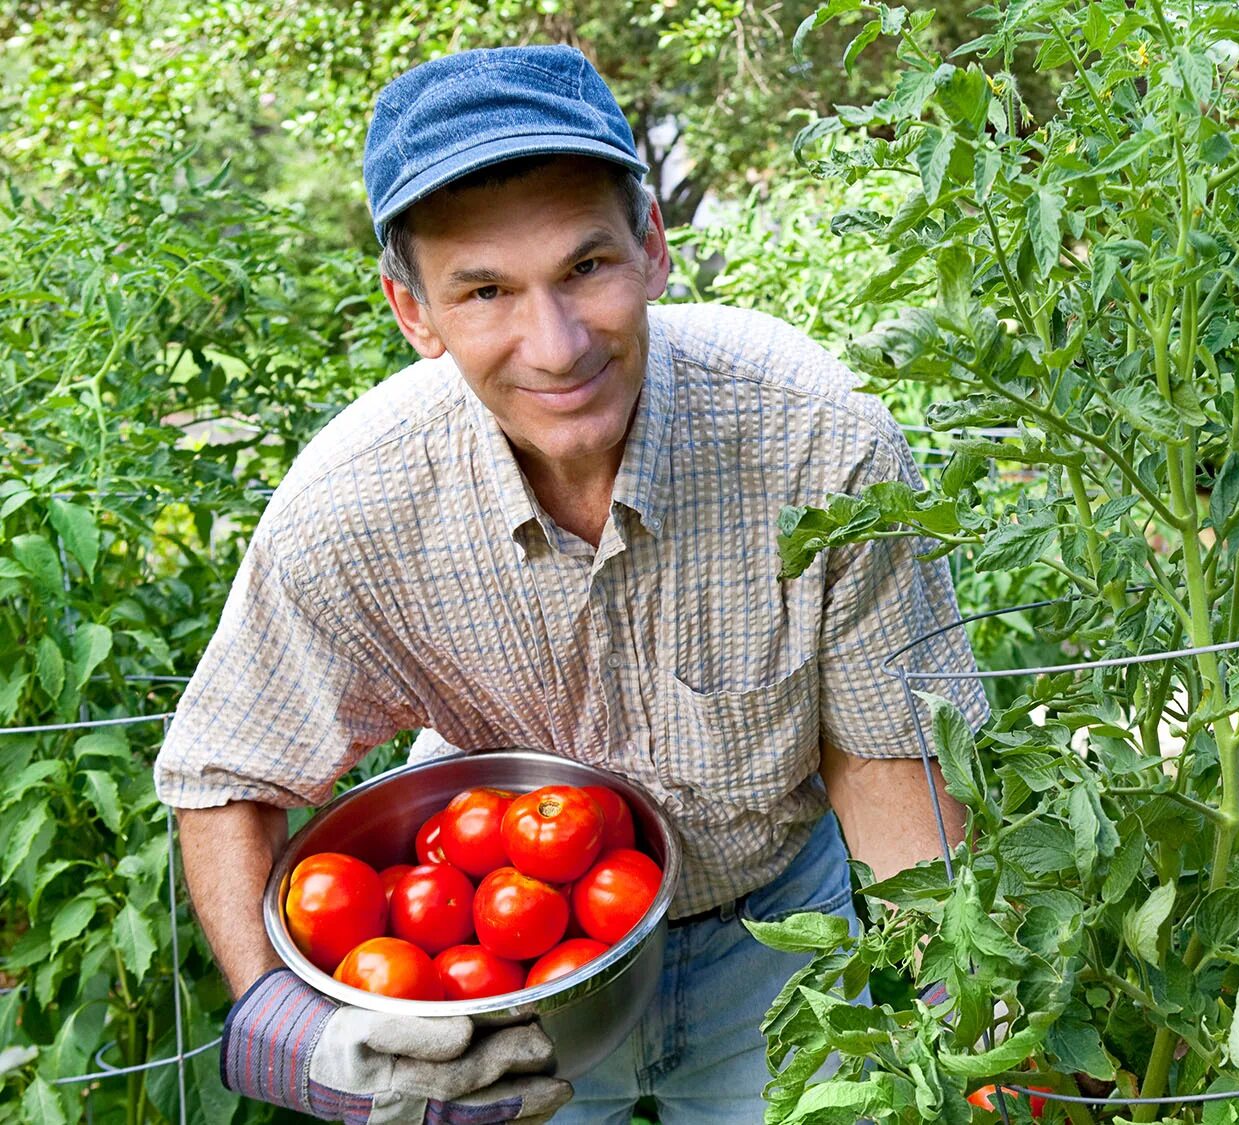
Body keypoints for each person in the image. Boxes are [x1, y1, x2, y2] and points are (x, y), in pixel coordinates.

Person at [152, 44, 986, 1124]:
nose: (552, 345)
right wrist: (290, 1027)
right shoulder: (354, 505)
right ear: (414, 313)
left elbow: (887, 765)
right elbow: (227, 772)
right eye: (486, 290)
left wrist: (954, 1008)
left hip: (776, 937)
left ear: (650, 248)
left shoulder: (812, 441)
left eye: (584, 267)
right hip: (497, 981)